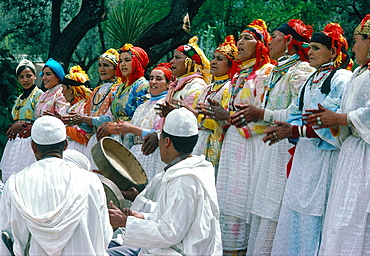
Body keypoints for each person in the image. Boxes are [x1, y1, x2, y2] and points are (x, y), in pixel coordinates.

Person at [262, 23, 352, 255]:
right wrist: (288, 127)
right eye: (309, 47)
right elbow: (295, 113)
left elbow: (330, 122)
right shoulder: (311, 78)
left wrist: (296, 131)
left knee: (316, 216)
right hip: (304, 157)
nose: (309, 51)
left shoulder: (341, 78)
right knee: (295, 214)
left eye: (316, 48)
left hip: (325, 159)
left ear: (333, 53)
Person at [107, 108, 222, 256]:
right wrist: (142, 216)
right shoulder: (193, 170)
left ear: (167, 141)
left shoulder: (185, 179)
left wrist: (124, 222)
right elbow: (174, 217)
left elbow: (170, 232)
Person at [244, 19, 315, 255]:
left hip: (287, 146)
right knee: (263, 206)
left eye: (274, 36)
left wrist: (262, 113)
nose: (270, 42)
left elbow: (300, 114)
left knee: (275, 209)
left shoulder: (302, 71)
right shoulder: (278, 70)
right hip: (270, 146)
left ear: (288, 41)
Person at [303, 15, 370, 255]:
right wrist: (331, 119)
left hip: (366, 157)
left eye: (356, 41)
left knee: (356, 219)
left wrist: (340, 118)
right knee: (340, 219)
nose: (353, 48)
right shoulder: (359, 73)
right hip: (351, 155)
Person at [0, 115, 112, 255]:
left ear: (33, 146)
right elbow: (104, 236)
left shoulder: (14, 184)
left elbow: (5, 237)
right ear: (65, 145)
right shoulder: (90, 181)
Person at [210, 19, 274, 255]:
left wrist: (228, 117)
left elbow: (264, 113)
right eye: (240, 38)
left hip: (251, 143)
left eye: (248, 38)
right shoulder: (239, 74)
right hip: (234, 141)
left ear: (261, 45)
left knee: (242, 199)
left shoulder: (266, 72)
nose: (240, 42)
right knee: (227, 199)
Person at [105, 63, 173, 181]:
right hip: (136, 154)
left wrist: (130, 128)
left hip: (153, 154)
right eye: (151, 78)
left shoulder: (166, 104)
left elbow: (158, 133)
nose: (153, 82)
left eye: (158, 79)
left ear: (168, 85)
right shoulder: (142, 106)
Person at [66, 48, 120, 170]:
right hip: (94, 140)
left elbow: (111, 119)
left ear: (116, 68)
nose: (101, 69)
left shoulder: (117, 89)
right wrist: (78, 121)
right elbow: (89, 129)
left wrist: (85, 119)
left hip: (110, 140)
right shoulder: (95, 91)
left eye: (106, 66)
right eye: (100, 65)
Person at [192, 35, 240, 172]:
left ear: (231, 64)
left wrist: (197, 116)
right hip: (198, 141)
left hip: (214, 144)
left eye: (220, 59)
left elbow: (222, 122)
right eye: (213, 58)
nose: (213, 62)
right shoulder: (207, 88)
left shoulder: (229, 88)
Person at [96, 44, 149, 146]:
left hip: (135, 142)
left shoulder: (142, 86)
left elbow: (144, 119)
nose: (123, 64)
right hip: (119, 138)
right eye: (120, 61)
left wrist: (115, 126)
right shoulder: (121, 87)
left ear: (137, 63)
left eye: (127, 60)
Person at [0, 59, 43, 182]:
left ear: (35, 76)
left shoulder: (39, 96)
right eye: (21, 77)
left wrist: (22, 126)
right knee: (11, 174)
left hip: (30, 139)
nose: (25, 80)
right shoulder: (19, 98)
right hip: (16, 141)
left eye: (29, 76)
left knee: (26, 175)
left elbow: (42, 120)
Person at [59, 65, 92, 153]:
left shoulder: (85, 107)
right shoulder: (66, 107)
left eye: (63, 88)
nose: (61, 92)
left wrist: (60, 125)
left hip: (78, 150)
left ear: (71, 90)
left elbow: (84, 137)